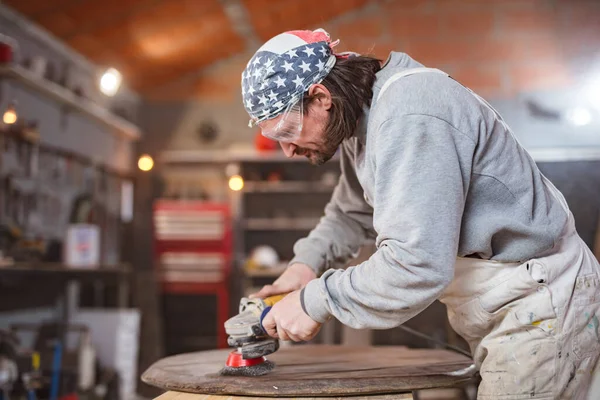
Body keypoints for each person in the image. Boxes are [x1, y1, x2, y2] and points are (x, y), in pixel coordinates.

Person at [241, 28, 600, 399]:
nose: (286, 150)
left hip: (541, 304)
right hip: (507, 303)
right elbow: (351, 212)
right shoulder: (359, 117)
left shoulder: (409, 114)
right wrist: (304, 267)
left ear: (320, 96)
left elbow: (416, 264)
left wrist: (315, 301)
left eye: (287, 131)